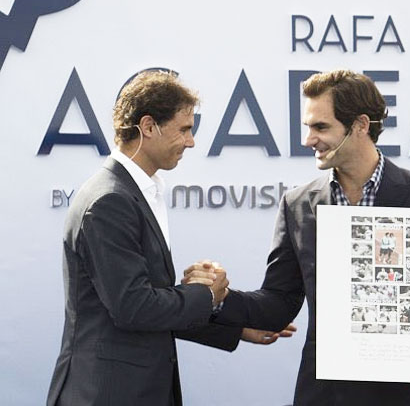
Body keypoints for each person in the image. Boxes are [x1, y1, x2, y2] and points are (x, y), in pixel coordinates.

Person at [186, 70, 410, 404]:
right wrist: (219, 295)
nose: (309, 139)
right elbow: (279, 304)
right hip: (328, 395)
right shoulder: (297, 204)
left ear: (361, 125)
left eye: (320, 127)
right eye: (308, 127)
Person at [46, 71, 289, 406]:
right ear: (148, 127)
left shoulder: (135, 193)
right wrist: (205, 295)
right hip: (108, 394)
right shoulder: (110, 201)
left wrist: (235, 329)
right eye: (184, 129)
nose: (191, 141)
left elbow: (149, 304)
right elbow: (134, 308)